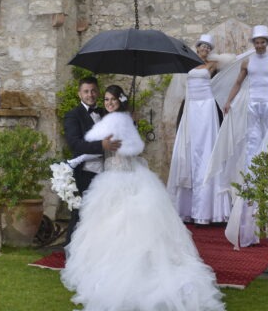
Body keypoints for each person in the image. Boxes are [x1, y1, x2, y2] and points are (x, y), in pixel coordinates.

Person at [61, 87, 224, 311]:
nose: (108, 103)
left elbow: (122, 146)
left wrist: (116, 136)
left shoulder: (118, 121)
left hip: (122, 178)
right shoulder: (112, 119)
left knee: (127, 225)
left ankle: (131, 270)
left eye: (112, 99)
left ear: (120, 101)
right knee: (110, 227)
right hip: (112, 177)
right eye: (106, 99)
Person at [220, 25, 268, 247]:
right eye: (257, 42)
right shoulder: (247, 62)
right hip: (253, 107)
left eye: (263, 41)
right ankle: (249, 226)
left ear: (267, 43)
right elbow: (237, 83)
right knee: (253, 153)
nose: (260, 45)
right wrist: (229, 101)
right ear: (253, 44)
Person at [167, 34, 226, 224]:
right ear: (197, 47)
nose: (205, 50)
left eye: (208, 47)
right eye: (202, 47)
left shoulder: (212, 65)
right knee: (189, 148)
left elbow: (229, 65)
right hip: (192, 106)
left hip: (207, 105)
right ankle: (185, 207)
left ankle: (208, 209)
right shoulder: (187, 64)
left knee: (207, 148)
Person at [61, 77, 120, 246]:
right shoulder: (73, 115)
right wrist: (101, 145)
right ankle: (71, 251)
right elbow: (75, 143)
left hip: (107, 171)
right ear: (79, 93)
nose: (90, 95)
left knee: (102, 214)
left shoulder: (105, 112)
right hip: (85, 172)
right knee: (80, 213)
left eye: (93, 91)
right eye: (86, 91)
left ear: (98, 92)